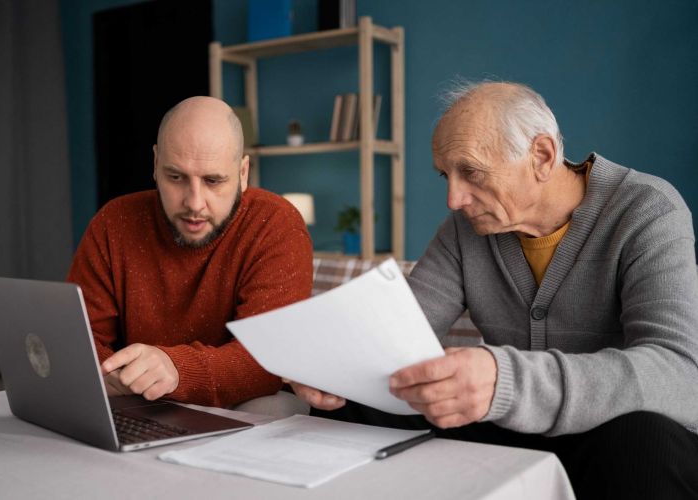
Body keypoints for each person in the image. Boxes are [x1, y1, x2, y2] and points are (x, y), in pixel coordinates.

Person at [289, 82, 698, 499]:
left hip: (607, 433)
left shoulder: (647, 209)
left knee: (644, 438)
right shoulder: (464, 231)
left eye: (470, 171)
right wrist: (333, 369)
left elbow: (679, 374)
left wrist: (504, 380)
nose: (453, 198)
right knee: (363, 403)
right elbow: (400, 331)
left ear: (541, 156)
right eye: (445, 175)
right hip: (509, 425)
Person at [68, 96, 313, 408]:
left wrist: (176, 369)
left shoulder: (276, 224)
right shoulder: (113, 222)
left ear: (242, 173)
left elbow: (269, 360)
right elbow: (80, 338)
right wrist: (116, 373)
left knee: (276, 407)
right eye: (176, 177)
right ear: (155, 164)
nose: (194, 203)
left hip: (243, 400)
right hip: (138, 395)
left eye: (213, 181)